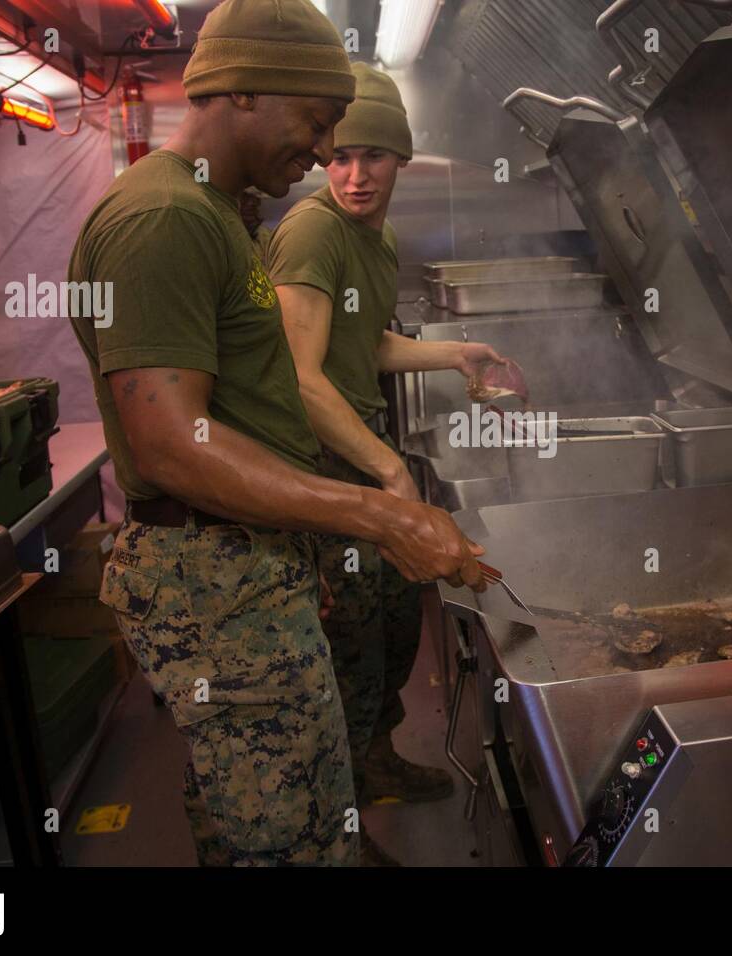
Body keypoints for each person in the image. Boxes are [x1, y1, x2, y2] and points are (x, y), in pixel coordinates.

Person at [67, 0, 486, 867]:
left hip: (246, 563)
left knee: (255, 805)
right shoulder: (164, 220)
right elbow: (171, 444)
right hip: (214, 580)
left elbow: (243, 406)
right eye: (318, 123)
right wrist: (377, 512)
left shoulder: (218, 213)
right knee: (290, 834)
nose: (329, 154)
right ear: (244, 91)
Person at [267, 62, 506, 865]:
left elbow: (361, 344)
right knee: (342, 643)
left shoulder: (375, 237)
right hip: (321, 465)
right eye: (338, 156)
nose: (354, 175)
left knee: (394, 618)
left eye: (373, 156)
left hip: (359, 455)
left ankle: (371, 763)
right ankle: (338, 822)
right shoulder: (311, 231)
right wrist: (390, 472)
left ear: (400, 158)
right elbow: (300, 379)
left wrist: (454, 351)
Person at [239, 188, 273, 263]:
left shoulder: (266, 236)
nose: (252, 203)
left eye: (256, 198)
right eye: (245, 197)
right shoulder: (220, 234)